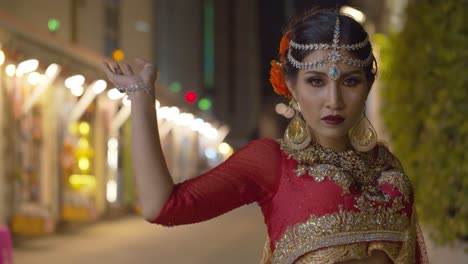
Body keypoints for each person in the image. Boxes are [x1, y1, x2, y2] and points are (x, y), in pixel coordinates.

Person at [103, 9, 428, 264]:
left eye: (350, 81)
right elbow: (162, 206)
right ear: (290, 86)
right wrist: (140, 95)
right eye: (316, 82)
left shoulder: (386, 166)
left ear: (368, 86)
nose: (334, 100)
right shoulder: (272, 162)